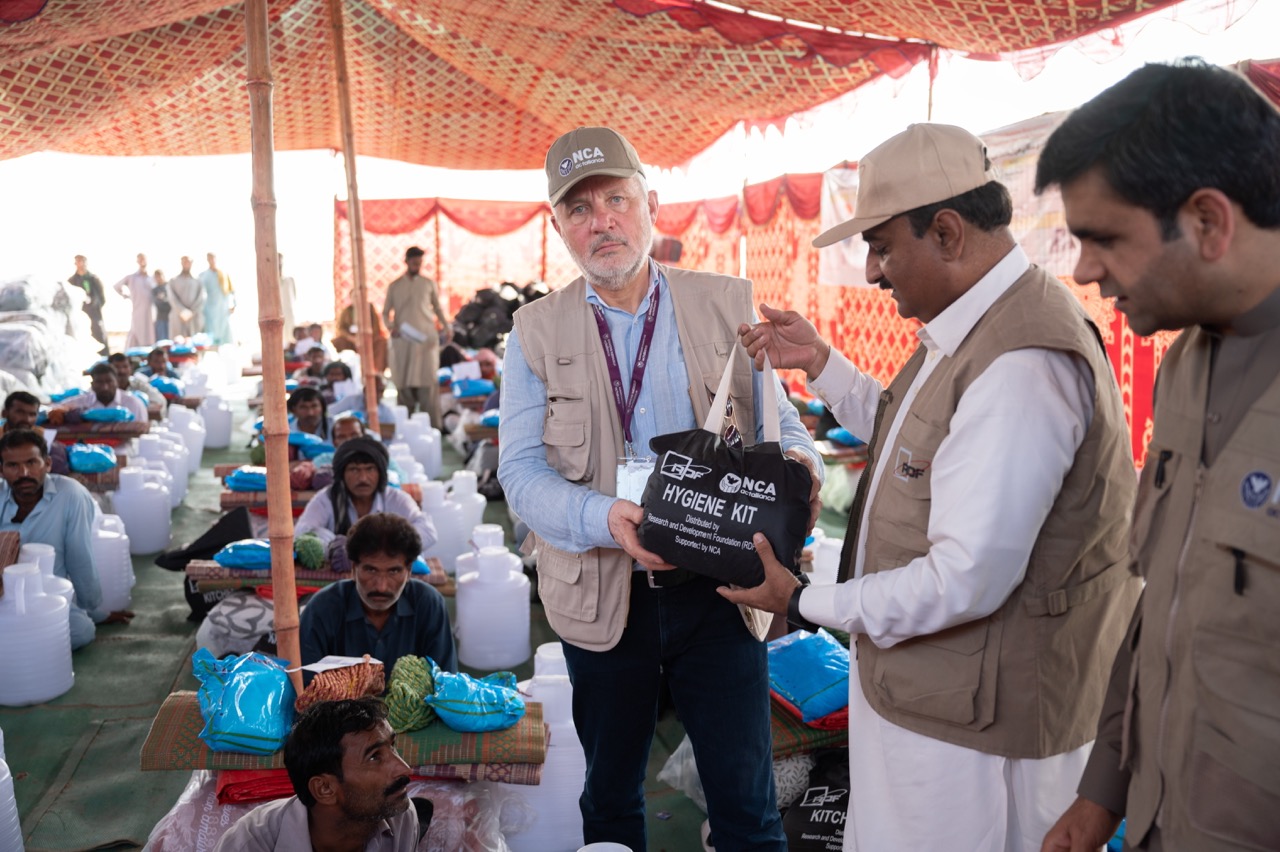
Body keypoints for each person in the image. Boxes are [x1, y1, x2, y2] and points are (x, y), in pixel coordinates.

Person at [725, 123, 1140, 852]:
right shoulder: (975, 329)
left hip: (980, 740)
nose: (876, 273)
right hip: (942, 702)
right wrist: (822, 364)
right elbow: (913, 444)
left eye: (883, 248)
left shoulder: (1022, 363)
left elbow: (963, 580)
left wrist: (800, 600)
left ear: (946, 232)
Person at [498, 126, 822, 852]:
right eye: (579, 210)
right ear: (559, 228)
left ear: (651, 204)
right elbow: (518, 472)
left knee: (748, 803)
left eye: (617, 198)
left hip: (721, 593)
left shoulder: (722, 304)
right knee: (611, 797)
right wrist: (604, 515)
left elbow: (789, 429)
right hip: (600, 599)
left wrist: (801, 471)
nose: (602, 221)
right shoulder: (533, 333)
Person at [1034, 60, 1280, 852]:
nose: (1083, 271)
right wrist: (1105, 787)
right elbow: (1167, 598)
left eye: (1104, 238)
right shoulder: (1184, 366)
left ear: (1208, 221)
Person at [212, 697, 422, 851]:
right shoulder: (249, 845)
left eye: (392, 747)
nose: (405, 769)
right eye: (374, 757)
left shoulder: (400, 817)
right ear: (325, 789)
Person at [0, 429, 134, 648]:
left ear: (48, 464)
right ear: (1, 470)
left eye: (32, 462)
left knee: (82, 631)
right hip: (2, 596)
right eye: (13, 466)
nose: (23, 472)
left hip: (47, 595)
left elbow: (79, 556)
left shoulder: (70, 494)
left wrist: (93, 610)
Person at [299, 512, 455, 683]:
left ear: (409, 571)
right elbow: (307, 689)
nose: (381, 586)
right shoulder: (321, 610)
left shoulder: (429, 605)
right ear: (353, 568)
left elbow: (445, 684)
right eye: (370, 570)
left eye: (394, 571)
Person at [295, 436, 434, 549]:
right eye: (354, 470)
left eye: (370, 469)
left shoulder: (395, 498)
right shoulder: (327, 498)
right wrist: (332, 547)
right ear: (342, 474)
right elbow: (303, 532)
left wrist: (386, 546)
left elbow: (427, 531)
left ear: (380, 473)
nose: (362, 478)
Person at [382, 247, 450, 428]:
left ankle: (434, 428)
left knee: (428, 383)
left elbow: (437, 308)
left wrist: (446, 326)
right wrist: (391, 327)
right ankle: (405, 427)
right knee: (403, 385)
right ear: (406, 262)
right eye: (414, 262)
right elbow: (385, 313)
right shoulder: (395, 286)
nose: (417, 265)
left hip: (425, 340)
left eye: (419, 263)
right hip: (402, 341)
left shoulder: (428, 284)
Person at [53, 362, 149, 422]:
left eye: (109, 381)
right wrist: (59, 412)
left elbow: (141, 436)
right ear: (92, 384)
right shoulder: (82, 401)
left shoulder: (133, 403)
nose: (105, 387)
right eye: (99, 382)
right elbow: (58, 408)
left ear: (117, 382)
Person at [334, 300, 388, 375]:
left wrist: (367, 338)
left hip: (369, 338)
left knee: (381, 343)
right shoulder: (347, 311)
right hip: (350, 339)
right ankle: (343, 373)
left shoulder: (370, 309)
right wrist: (351, 338)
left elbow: (376, 327)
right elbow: (341, 328)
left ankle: (376, 374)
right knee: (338, 342)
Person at [113, 252, 154, 349]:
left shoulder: (151, 278)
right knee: (137, 331)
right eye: (140, 259)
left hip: (151, 311)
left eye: (143, 259)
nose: (142, 261)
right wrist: (125, 295)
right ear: (137, 261)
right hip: (137, 309)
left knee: (150, 332)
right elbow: (117, 286)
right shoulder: (132, 277)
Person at [69, 255, 108, 355]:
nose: (80, 264)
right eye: (78, 262)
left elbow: (102, 298)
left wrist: (94, 304)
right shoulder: (72, 280)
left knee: (98, 335)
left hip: (94, 313)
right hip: (79, 314)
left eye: (82, 261)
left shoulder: (93, 279)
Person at [200, 252, 235, 346]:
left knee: (225, 330)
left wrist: (234, 304)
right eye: (209, 258)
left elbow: (232, 290)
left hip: (223, 307)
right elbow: (200, 292)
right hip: (210, 308)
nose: (211, 260)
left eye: (213, 258)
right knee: (212, 332)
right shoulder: (204, 275)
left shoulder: (223, 273)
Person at [167, 255, 205, 338]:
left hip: (194, 318)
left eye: (188, 262)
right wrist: (183, 312)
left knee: (194, 344)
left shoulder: (198, 281)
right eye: (184, 261)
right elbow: (172, 298)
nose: (186, 264)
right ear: (181, 263)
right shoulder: (173, 281)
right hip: (178, 318)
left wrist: (191, 312)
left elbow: (201, 298)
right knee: (178, 344)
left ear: (191, 263)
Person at [152, 269, 171, 341]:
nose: (158, 278)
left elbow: (172, 302)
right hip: (160, 318)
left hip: (171, 317)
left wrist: (164, 299)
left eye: (159, 276)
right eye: (156, 277)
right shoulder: (155, 290)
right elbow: (158, 304)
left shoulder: (170, 286)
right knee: (162, 341)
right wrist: (165, 300)